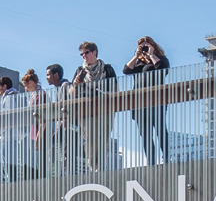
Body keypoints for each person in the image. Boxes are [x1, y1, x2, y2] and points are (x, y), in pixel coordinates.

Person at [122, 36, 171, 166]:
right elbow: (126, 70)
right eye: (142, 46)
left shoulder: (161, 59)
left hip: (157, 101)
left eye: (146, 46)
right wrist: (137, 56)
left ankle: (166, 158)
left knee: (160, 129)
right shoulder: (138, 63)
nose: (144, 49)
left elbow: (163, 70)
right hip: (140, 103)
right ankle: (151, 161)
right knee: (145, 133)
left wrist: (152, 55)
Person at [69, 42, 118, 170]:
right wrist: (75, 84)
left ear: (94, 52)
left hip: (105, 109)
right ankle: (92, 168)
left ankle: (101, 167)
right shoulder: (80, 71)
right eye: (82, 54)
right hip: (87, 111)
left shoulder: (107, 69)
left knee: (103, 139)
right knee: (90, 140)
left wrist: (109, 94)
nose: (84, 56)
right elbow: (71, 94)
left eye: (86, 53)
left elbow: (115, 89)